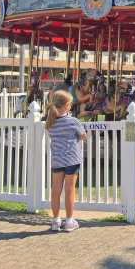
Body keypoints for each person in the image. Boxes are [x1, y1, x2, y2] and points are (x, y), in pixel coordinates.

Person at [46, 90, 87, 232]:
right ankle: (69, 221)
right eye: (69, 105)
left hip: (57, 159)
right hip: (72, 159)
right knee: (69, 190)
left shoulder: (50, 123)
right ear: (64, 106)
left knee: (56, 189)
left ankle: (56, 220)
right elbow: (83, 136)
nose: (70, 107)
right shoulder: (73, 121)